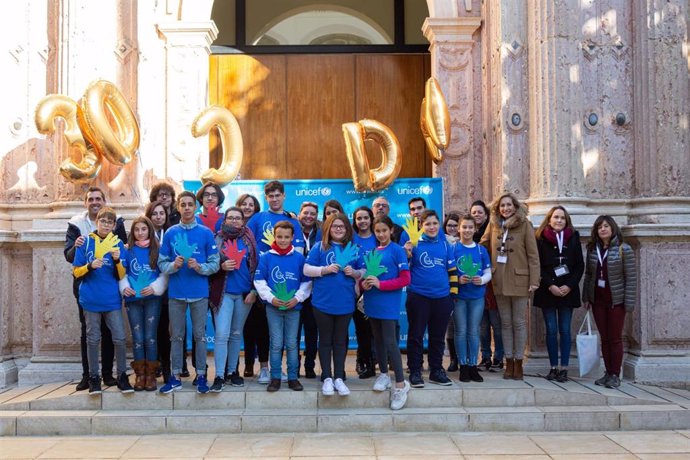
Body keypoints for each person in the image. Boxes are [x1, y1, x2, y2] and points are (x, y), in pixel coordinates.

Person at [64, 187, 126, 391]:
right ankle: (90, 377)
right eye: (91, 199)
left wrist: (117, 261)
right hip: (89, 295)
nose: (94, 201)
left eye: (98, 198)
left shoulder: (117, 239)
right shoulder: (81, 233)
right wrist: (90, 264)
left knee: (115, 336)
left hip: (111, 297)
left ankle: (113, 375)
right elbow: (72, 261)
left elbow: (123, 272)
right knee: (90, 336)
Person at [158, 191, 219, 394]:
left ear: (196, 207)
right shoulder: (170, 233)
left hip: (199, 292)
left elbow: (215, 263)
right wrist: (173, 266)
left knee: (200, 336)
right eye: (182, 204)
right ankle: (175, 376)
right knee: (176, 336)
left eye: (190, 205)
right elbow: (161, 263)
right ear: (178, 207)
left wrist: (200, 267)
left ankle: (201, 375)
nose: (186, 208)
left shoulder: (205, 233)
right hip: (176, 292)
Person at [246, 181, 304, 383]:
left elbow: (298, 257)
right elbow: (248, 247)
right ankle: (266, 368)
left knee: (290, 339)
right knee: (265, 329)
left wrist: (296, 295)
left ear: (284, 196)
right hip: (263, 284)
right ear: (266, 197)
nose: (274, 199)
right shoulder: (257, 218)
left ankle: (290, 373)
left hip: (290, 291)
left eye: (278, 195)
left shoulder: (293, 221)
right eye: (270, 196)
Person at [480, 193, 540, 380]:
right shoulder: (493, 224)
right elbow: (483, 245)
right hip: (499, 280)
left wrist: (534, 280)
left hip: (521, 280)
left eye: (509, 205)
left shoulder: (525, 225)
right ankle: (509, 362)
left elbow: (533, 255)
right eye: (502, 206)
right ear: (497, 209)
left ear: (515, 207)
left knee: (519, 322)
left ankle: (519, 362)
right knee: (505, 323)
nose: (505, 208)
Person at [304, 213, 364, 396]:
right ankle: (327, 378)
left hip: (345, 302)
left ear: (347, 229)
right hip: (322, 302)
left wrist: (354, 272)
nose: (338, 229)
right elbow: (307, 269)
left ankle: (339, 377)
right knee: (325, 340)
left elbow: (364, 270)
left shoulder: (353, 248)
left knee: (340, 341)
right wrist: (324, 270)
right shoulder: (320, 247)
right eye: (335, 226)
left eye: (342, 226)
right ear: (328, 228)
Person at [254, 221, 312, 392]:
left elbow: (307, 282)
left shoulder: (300, 258)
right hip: (273, 308)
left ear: (292, 238)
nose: (283, 240)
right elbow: (259, 280)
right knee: (276, 343)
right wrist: (271, 298)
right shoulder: (266, 257)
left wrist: (297, 298)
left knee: (292, 344)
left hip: (294, 308)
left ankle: (293, 377)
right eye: (279, 236)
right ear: (275, 236)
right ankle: (276, 377)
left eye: (287, 237)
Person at [361, 216, 411, 410]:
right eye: (378, 231)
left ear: (391, 230)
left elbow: (405, 279)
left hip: (389, 302)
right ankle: (383, 374)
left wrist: (382, 284)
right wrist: (363, 283)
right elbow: (366, 277)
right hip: (372, 301)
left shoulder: (398, 251)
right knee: (378, 339)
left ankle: (400, 384)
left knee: (390, 342)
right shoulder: (372, 252)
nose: (381, 234)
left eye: (384, 230)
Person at [404, 209, 457, 388]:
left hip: (442, 298)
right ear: (421, 225)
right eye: (428, 224)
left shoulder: (445, 245)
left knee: (437, 337)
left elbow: (452, 272)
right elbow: (404, 267)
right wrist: (407, 253)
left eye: (435, 223)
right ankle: (415, 371)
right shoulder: (413, 243)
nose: (432, 227)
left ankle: (436, 370)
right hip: (418, 296)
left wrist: (452, 297)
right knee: (416, 336)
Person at [583, 215, 637, 389]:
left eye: (606, 226)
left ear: (613, 228)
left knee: (615, 339)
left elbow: (631, 278)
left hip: (616, 302)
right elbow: (589, 275)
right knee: (604, 339)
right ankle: (607, 372)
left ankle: (615, 374)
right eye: (599, 227)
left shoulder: (624, 249)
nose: (603, 229)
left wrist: (628, 304)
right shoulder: (593, 250)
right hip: (598, 301)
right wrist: (586, 297)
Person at [208, 207, 259, 391]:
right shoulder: (217, 238)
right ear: (225, 220)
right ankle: (219, 375)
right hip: (223, 293)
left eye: (238, 218)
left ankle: (232, 372)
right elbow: (208, 264)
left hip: (244, 294)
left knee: (236, 334)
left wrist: (254, 290)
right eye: (231, 218)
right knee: (222, 334)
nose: (235, 221)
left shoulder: (249, 239)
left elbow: (256, 266)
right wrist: (221, 266)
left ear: (243, 220)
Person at [534, 206, 584, 382]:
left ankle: (564, 367)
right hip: (548, 290)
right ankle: (553, 366)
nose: (559, 220)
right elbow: (538, 265)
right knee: (551, 329)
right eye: (556, 217)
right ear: (549, 220)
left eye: (562, 218)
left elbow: (579, 266)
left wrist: (569, 286)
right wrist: (551, 286)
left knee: (564, 329)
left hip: (567, 291)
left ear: (567, 221)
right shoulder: (540, 239)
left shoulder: (573, 237)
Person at [120, 216, 168, 391]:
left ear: (149, 230)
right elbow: (122, 273)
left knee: (150, 337)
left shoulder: (158, 249)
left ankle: (151, 375)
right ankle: (140, 374)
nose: (140, 233)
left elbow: (164, 274)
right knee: (138, 338)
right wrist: (124, 287)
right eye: (137, 230)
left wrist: (155, 288)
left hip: (152, 300)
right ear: (132, 232)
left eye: (144, 229)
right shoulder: (127, 250)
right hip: (133, 300)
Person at [453, 214, 492, 383]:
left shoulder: (480, 250)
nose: (467, 230)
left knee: (474, 331)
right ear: (459, 229)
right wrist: (457, 280)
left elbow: (488, 272)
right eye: (464, 227)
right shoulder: (453, 249)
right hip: (459, 297)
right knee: (460, 331)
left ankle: (472, 365)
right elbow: (447, 272)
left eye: (470, 227)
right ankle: (463, 366)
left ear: (475, 229)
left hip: (477, 297)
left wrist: (482, 280)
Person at [237, 194, 269, 379]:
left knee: (262, 327)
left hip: (259, 285)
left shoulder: (258, 229)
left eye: (251, 205)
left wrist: (256, 289)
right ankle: (248, 364)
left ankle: (264, 365)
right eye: (244, 204)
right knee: (247, 328)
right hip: (240, 286)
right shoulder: (231, 231)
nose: (247, 207)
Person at [472, 200, 503, 371]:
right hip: (475, 285)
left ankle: (499, 357)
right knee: (482, 325)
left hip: (493, 283)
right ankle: (485, 357)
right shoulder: (468, 234)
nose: (477, 215)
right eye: (474, 212)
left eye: (480, 212)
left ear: (486, 214)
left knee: (496, 324)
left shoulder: (494, 230)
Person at [145, 201, 173, 383]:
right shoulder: (143, 234)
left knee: (164, 330)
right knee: (150, 332)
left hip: (169, 289)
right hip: (148, 289)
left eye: (161, 213)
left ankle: (167, 367)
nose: (158, 217)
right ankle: (151, 367)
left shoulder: (170, 233)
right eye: (154, 214)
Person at [297, 201, 321, 378]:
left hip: (315, 289)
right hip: (295, 289)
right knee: (294, 332)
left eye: (313, 213)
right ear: (299, 214)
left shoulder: (321, 234)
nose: (309, 216)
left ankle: (309, 365)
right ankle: (294, 365)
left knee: (312, 331)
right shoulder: (292, 230)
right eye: (306, 213)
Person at [352, 206, 377, 379]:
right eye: (359, 218)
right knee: (362, 330)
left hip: (378, 291)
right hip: (356, 292)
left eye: (365, 218)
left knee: (375, 330)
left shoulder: (378, 238)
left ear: (371, 219)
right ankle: (363, 362)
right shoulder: (351, 240)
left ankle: (376, 362)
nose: (362, 221)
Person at [443, 211, 461, 372]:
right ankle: (453, 359)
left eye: (456, 225)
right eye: (449, 225)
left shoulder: (464, 242)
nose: (452, 228)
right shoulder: (441, 242)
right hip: (447, 288)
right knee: (450, 326)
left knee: (462, 326)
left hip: (465, 288)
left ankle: (465, 359)